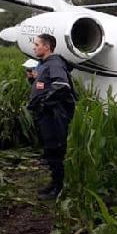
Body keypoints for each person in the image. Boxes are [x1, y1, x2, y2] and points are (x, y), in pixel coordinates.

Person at [27, 33, 77, 200]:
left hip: (54, 115)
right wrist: (34, 80)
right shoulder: (45, 64)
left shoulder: (54, 63)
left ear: (46, 47)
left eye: (37, 44)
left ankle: (58, 189)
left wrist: (43, 103)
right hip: (48, 114)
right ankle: (54, 184)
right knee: (50, 150)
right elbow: (47, 84)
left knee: (55, 150)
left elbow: (61, 86)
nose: (34, 47)